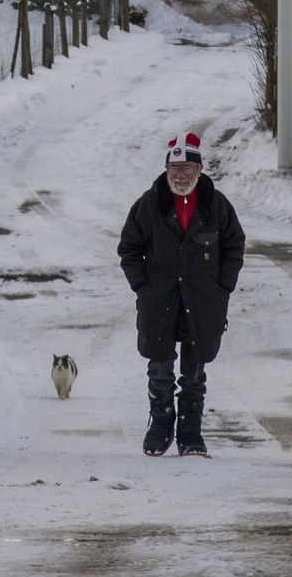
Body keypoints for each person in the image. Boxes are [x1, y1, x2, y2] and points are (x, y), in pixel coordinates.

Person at [118, 131, 246, 456]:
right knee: (159, 370)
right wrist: (142, 285)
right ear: (165, 170)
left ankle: (190, 433)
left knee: (194, 372)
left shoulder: (216, 206)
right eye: (174, 169)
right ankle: (160, 425)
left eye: (188, 168)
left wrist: (223, 288)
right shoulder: (149, 205)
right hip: (158, 301)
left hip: (203, 303)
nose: (180, 175)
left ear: (200, 170)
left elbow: (234, 246)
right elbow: (129, 248)